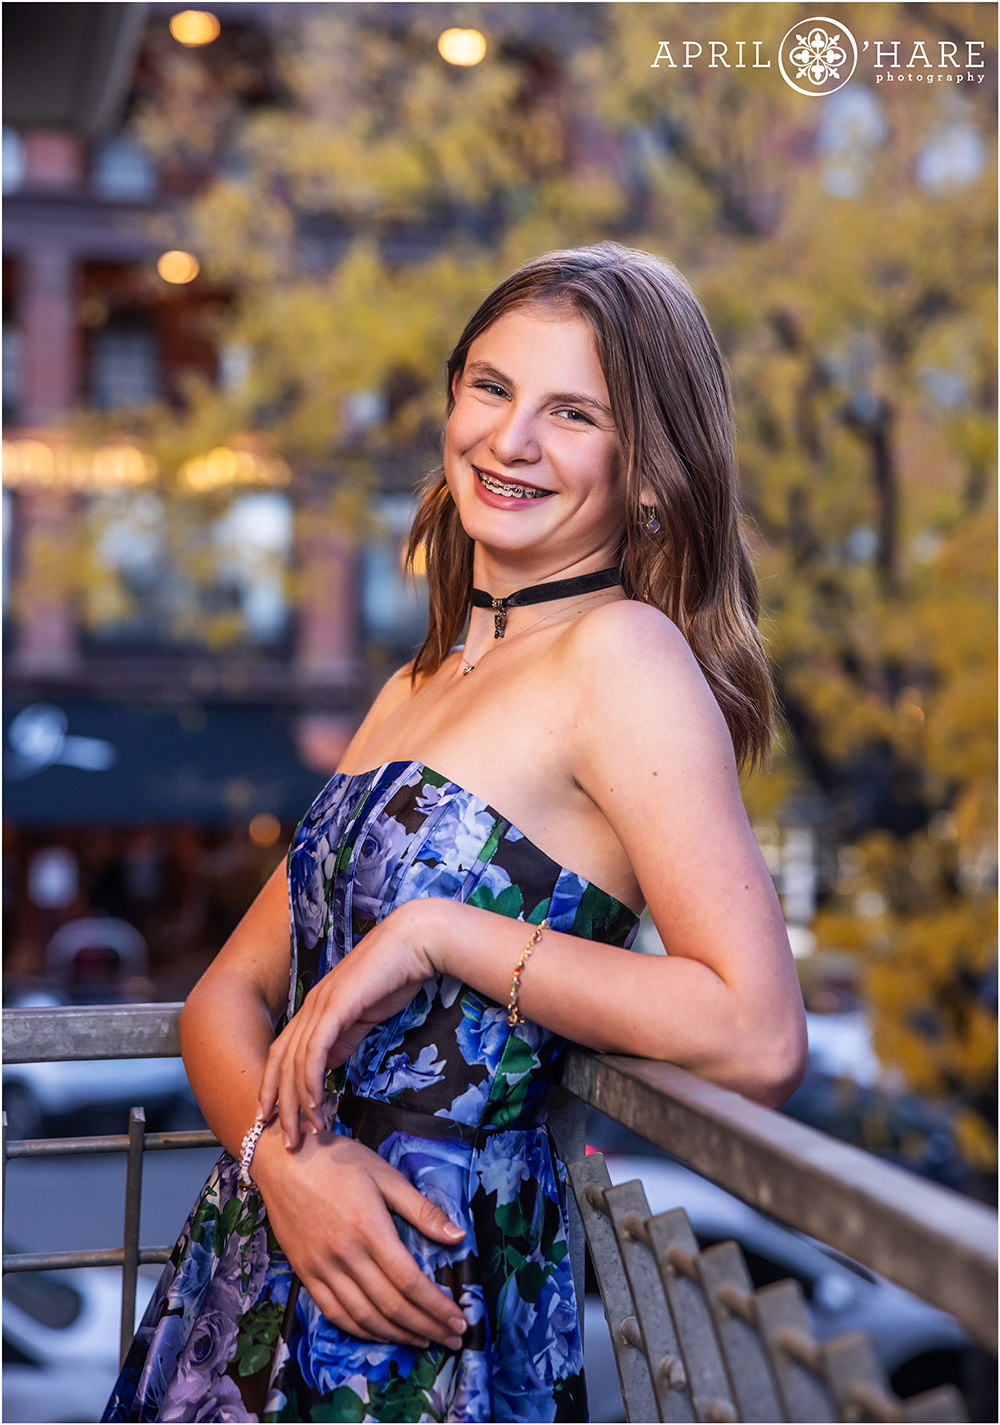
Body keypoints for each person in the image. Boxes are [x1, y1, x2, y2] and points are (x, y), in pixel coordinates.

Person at [103, 242, 807, 1424]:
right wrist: (287, 1171)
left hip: (426, 1298)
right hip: (265, 1248)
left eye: (572, 412)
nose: (509, 440)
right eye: (490, 388)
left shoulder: (624, 658)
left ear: (648, 473)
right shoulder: (415, 682)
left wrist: (442, 932)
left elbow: (753, 1032)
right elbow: (220, 1000)